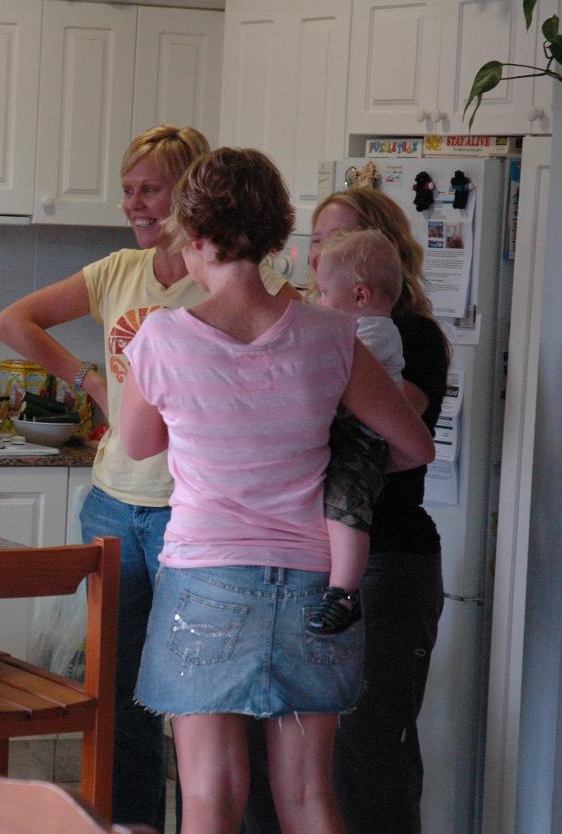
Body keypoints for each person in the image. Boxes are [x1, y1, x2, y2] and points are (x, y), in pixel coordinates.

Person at [119, 148, 435, 834]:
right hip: (314, 586)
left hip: (205, 576)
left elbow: (138, 442)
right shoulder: (332, 334)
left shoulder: (162, 337)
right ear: (275, 236)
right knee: (307, 794)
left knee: (211, 793)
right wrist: (344, 459)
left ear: (194, 232)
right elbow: (415, 444)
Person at [0, 124, 296, 827]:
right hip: (113, 505)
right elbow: (13, 321)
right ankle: (132, 824)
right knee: (119, 699)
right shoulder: (115, 273)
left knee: (203, 706)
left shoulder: (231, 277)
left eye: (149, 189)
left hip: (194, 516)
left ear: (188, 193)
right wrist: (93, 382)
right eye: (128, 190)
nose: (135, 204)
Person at [242, 187, 451, 834]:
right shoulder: (320, 327)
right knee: (278, 753)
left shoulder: (408, 334)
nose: (320, 253)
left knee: (365, 756)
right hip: (304, 562)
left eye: (337, 239)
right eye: (318, 240)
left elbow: (385, 427)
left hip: (386, 561)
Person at [308, 229, 406, 635]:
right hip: (344, 435)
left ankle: (344, 592)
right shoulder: (352, 329)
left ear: (361, 296)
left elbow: (336, 379)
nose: (317, 301)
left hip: (364, 443)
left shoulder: (374, 334)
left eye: (324, 292)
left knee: (346, 504)